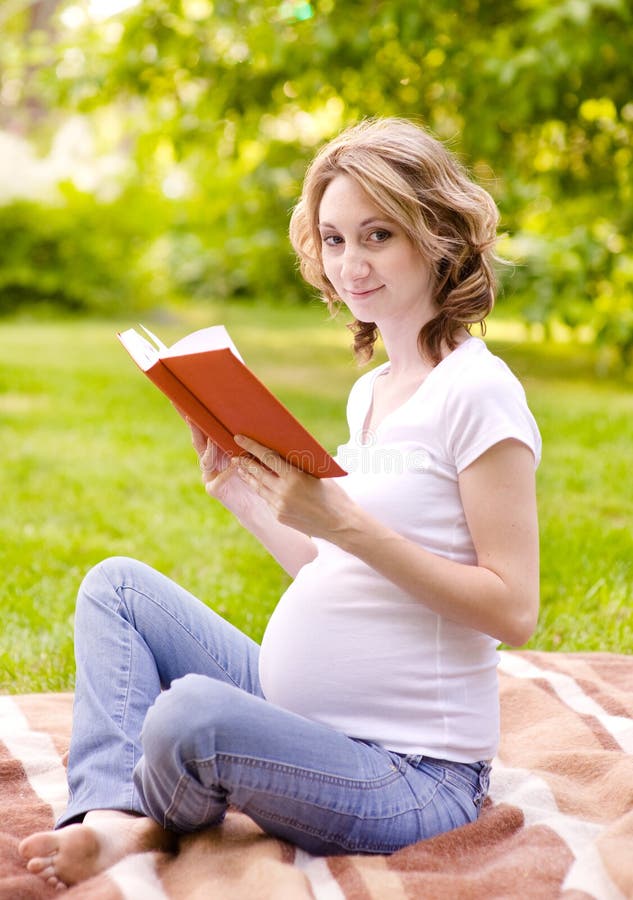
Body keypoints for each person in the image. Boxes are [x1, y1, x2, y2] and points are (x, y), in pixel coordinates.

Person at [20, 117, 541, 890]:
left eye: (376, 235)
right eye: (333, 240)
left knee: (188, 718)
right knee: (116, 587)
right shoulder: (375, 393)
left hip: (413, 777)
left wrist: (348, 527)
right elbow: (334, 565)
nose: (350, 264)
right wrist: (240, 491)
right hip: (313, 728)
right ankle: (107, 820)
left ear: (436, 235)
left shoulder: (480, 393)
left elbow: (512, 609)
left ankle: (148, 824)